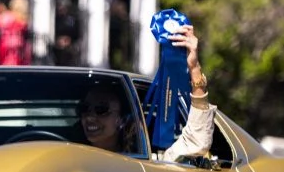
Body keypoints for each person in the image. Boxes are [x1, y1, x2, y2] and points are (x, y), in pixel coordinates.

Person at [79, 24, 215, 162]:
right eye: (84, 109)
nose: (89, 117)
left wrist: (194, 68)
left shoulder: (148, 165)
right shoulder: (67, 160)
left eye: (101, 109)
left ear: (121, 120)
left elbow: (195, 141)